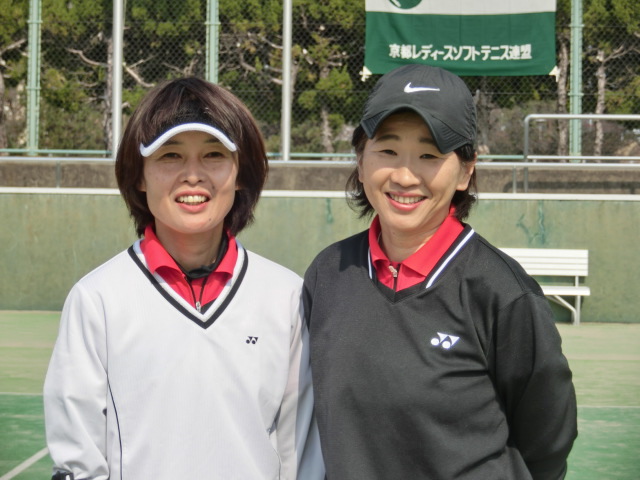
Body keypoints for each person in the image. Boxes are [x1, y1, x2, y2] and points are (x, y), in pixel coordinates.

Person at [303, 64, 577, 479]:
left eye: (429, 155)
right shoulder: (328, 273)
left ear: (466, 170)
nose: (404, 176)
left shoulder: (503, 292)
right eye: (387, 151)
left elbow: (547, 440)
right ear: (360, 160)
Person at [44, 77, 324, 480]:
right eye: (170, 155)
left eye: (213, 155)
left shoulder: (286, 297)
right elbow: (79, 459)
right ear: (139, 176)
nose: (193, 175)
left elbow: (301, 454)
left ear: (240, 173)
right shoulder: (97, 300)